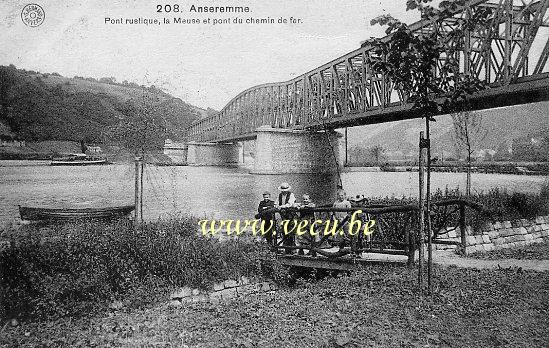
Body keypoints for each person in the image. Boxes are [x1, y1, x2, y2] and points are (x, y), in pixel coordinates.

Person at [277, 182, 297, 254]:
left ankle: (293, 249)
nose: (284, 191)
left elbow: (290, 204)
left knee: (291, 232)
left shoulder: (291, 195)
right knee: (284, 231)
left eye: (285, 190)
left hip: (291, 216)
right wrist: (277, 206)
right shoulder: (280, 195)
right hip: (284, 216)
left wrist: (282, 206)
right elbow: (276, 203)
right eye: (282, 190)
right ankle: (286, 249)